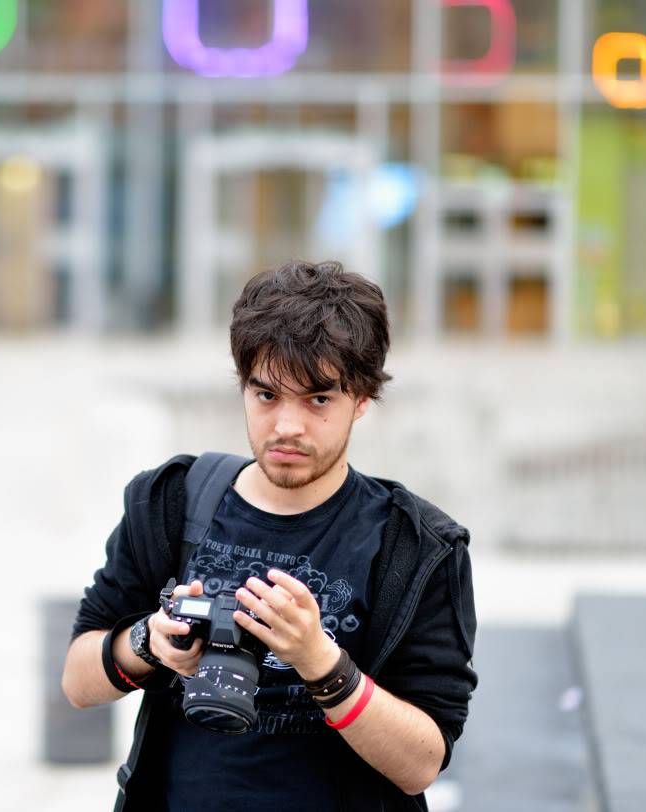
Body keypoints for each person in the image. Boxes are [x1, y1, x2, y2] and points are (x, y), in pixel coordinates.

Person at [61, 260, 477, 811]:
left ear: (362, 401)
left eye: (318, 400)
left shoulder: (418, 546)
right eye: (266, 396)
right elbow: (77, 680)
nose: (287, 426)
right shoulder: (171, 502)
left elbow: (421, 762)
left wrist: (321, 662)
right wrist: (149, 643)